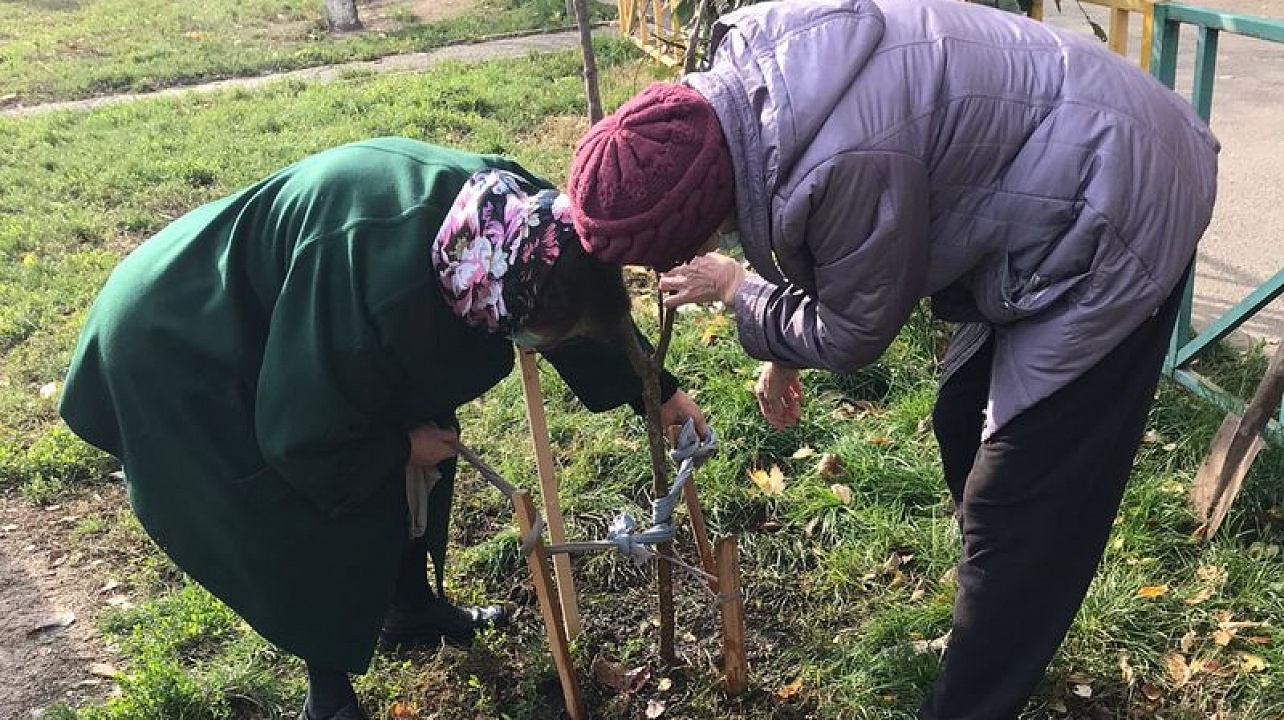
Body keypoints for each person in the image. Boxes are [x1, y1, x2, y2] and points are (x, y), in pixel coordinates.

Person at [565, 0, 1218, 717]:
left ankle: (979, 679)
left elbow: (853, 329)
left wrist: (735, 288)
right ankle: (1003, 599)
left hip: (1121, 202)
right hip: (1055, 176)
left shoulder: (847, 158)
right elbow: (794, 209)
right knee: (960, 417)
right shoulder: (745, 91)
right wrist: (780, 348)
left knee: (1019, 493)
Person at [59, 137, 706, 720]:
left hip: (294, 314)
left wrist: (657, 391)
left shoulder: (518, 220)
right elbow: (303, 435)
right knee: (314, 496)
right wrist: (400, 444)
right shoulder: (374, 288)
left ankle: (409, 609)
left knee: (413, 433)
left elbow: (574, 298)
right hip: (178, 341)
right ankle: (330, 694)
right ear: (496, 305)